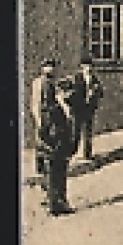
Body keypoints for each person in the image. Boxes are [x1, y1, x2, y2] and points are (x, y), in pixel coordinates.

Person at [37, 78, 77, 216]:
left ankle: (61, 202)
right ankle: (54, 206)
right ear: (60, 93)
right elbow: (43, 130)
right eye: (67, 92)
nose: (69, 95)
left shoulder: (67, 107)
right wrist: (51, 145)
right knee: (53, 177)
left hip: (63, 147)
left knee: (61, 175)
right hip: (54, 148)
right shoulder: (52, 109)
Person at [67, 56, 104, 162]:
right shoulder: (76, 78)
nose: (88, 68)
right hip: (78, 109)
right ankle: (71, 154)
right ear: (82, 67)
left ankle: (87, 155)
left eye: (90, 66)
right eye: (86, 66)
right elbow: (69, 91)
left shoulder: (94, 79)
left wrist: (95, 91)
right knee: (75, 133)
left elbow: (101, 93)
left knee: (88, 132)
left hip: (89, 109)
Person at [29, 59, 57, 138]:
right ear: (42, 68)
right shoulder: (38, 82)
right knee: (42, 138)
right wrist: (38, 119)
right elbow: (35, 102)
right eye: (47, 66)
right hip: (42, 114)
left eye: (51, 66)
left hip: (51, 116)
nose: (50, 68)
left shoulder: (52, 83)